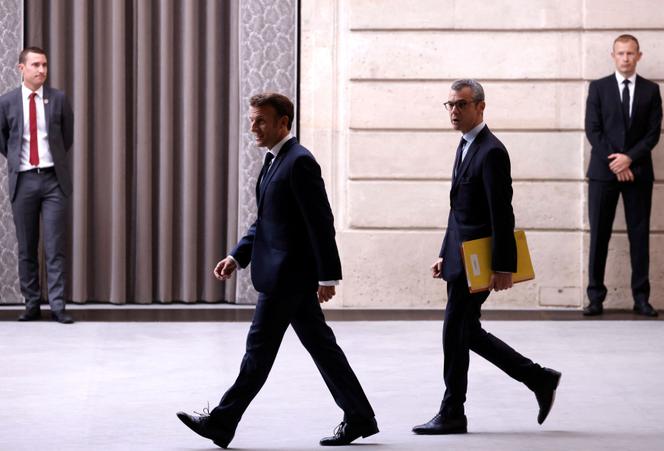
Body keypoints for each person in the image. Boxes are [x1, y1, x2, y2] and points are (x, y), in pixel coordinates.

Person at [176, 93, 378, 448]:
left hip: (288, 278)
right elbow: (266, 221)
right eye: (252, 120)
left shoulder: (299, 162)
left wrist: (328, 276)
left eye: (261, 121)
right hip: (285, 276)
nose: (253, 127)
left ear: (284, 122)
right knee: (322, 349)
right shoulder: (274, 160)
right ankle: (359, 416)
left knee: (258, 351)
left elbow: (321, 222)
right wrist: (237, 256)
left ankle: (223, 422)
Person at [412, 80, 561, 435]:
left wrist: (503, 266)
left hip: (480, 262)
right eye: (449, 105)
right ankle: (538, 378)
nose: (453, 111)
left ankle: (453, 412)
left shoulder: (492, 151)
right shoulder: (465, 146)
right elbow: (459, 210)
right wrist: (444, 253)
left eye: (461, 105)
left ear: (480, 107)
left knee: (455, 331)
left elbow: (501, 212)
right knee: (467, 332)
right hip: (460, 258)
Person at [584, 34, 662, 317]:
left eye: (631, 53)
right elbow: (593, 130)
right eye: (621, 53)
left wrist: (629, 159)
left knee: (639, 236)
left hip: (638, 172)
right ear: (613, 55)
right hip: (603, 174)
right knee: (599, 236)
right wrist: (617, 161)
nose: (626, 58)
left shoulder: (651, 91)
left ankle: (641, 298)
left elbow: (653, 133)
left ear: (638, 56)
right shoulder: (598, 88)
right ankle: (595, 298)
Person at [0, 47, 74, 324]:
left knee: (55, 247)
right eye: (35, 65)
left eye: (44, 65)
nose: (41, 70)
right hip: (24, 180)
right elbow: (4, 139)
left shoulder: (58, 100)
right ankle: (31, 305)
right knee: (26, 248)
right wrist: (20, 162)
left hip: (54, 181)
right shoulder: (6, 102)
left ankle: (57, 307)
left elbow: (66, 137)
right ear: (22, 68)